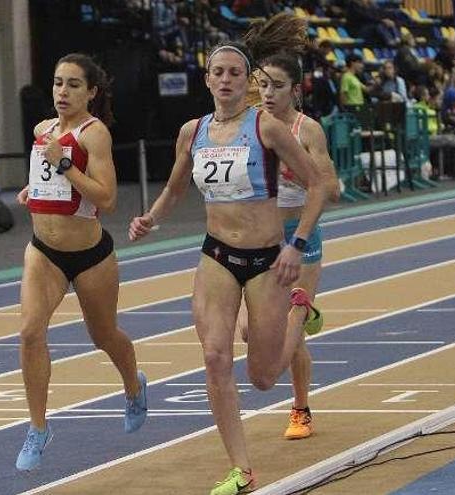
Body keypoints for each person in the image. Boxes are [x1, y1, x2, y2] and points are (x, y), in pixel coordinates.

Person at [129, 14, 325, 495]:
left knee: (261, 378)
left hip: (265, 260)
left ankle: (300, 309)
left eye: (235, 73)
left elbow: (320, 184)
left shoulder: (268, 128)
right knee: (215, 356)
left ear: (248, 81)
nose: (225, 80)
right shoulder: (191, 131)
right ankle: (242, 470)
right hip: (216, 255)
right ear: (207, 79)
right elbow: (175, 189)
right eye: (217, 72)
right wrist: (151, 217)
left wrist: (297, 244)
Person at [12, 53, 148, 472]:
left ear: (91, 92)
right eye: (57, 83)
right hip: (44, 252)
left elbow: (106, 198)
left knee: (104, 335)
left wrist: (64, 163)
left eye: (73, 85)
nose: (62, 92)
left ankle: (132, 387)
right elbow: (48, 175)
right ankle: (37, 428)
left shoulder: (95, 135)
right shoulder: (42, 130)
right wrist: (31, 188)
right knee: (30, 332)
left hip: (90, 256)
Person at [235, 45, 340, 442]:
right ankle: (305, 313)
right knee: (249, 332)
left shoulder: (307, 130)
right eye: (262, 85)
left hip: (301, 236)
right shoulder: (248, 126)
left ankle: (301, 408)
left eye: (277, 86)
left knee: (286, 334)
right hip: (259, 237)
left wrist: (302, 177)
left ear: (295, 90)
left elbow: (331, 189)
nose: (268, 93)